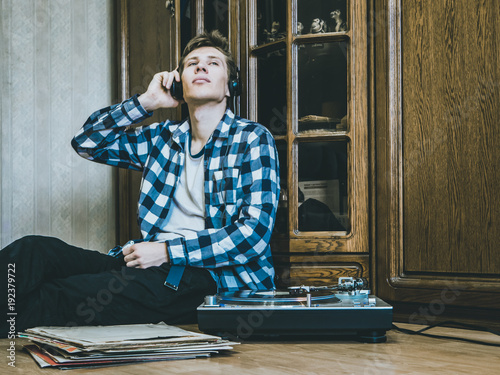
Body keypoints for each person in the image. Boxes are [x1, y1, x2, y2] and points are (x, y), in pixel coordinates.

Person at [0, 30, 280, 337]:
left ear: (231, 85)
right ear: (178, 82)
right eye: (192, 64)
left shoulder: (252, 139)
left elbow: (253, 235)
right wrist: (147, 101)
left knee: (58, 295)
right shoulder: (162, 139)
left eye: (213, 63)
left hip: (211, 279)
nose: (201, 67)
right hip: (141, 260)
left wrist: (168, 251)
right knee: (30, 252)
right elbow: (87, 142)